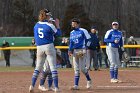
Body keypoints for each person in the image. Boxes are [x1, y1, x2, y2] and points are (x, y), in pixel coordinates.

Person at [29, 9, 62, 93]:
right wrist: (57, 25)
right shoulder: (49, 25)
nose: (50, 17)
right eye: (49, 15)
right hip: (48, 46)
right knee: (53, 68)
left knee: (37, 68)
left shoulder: (36, 25)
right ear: (46, 16)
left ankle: (32, 86)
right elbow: (58, 34)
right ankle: (56, 88)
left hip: (39, 47)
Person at [68, 18, 92, 90]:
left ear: (78, 24)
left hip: (82, 50)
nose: (72, 25)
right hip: (75, 50)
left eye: (74, 23)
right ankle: (76, 85)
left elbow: (89, 39)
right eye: (72, 23)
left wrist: (86, 47)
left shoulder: (83, 30)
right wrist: (70, 50)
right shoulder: (72, 32)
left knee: (82, 69)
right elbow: (71, 43)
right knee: (76, 69)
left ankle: (89, 80)